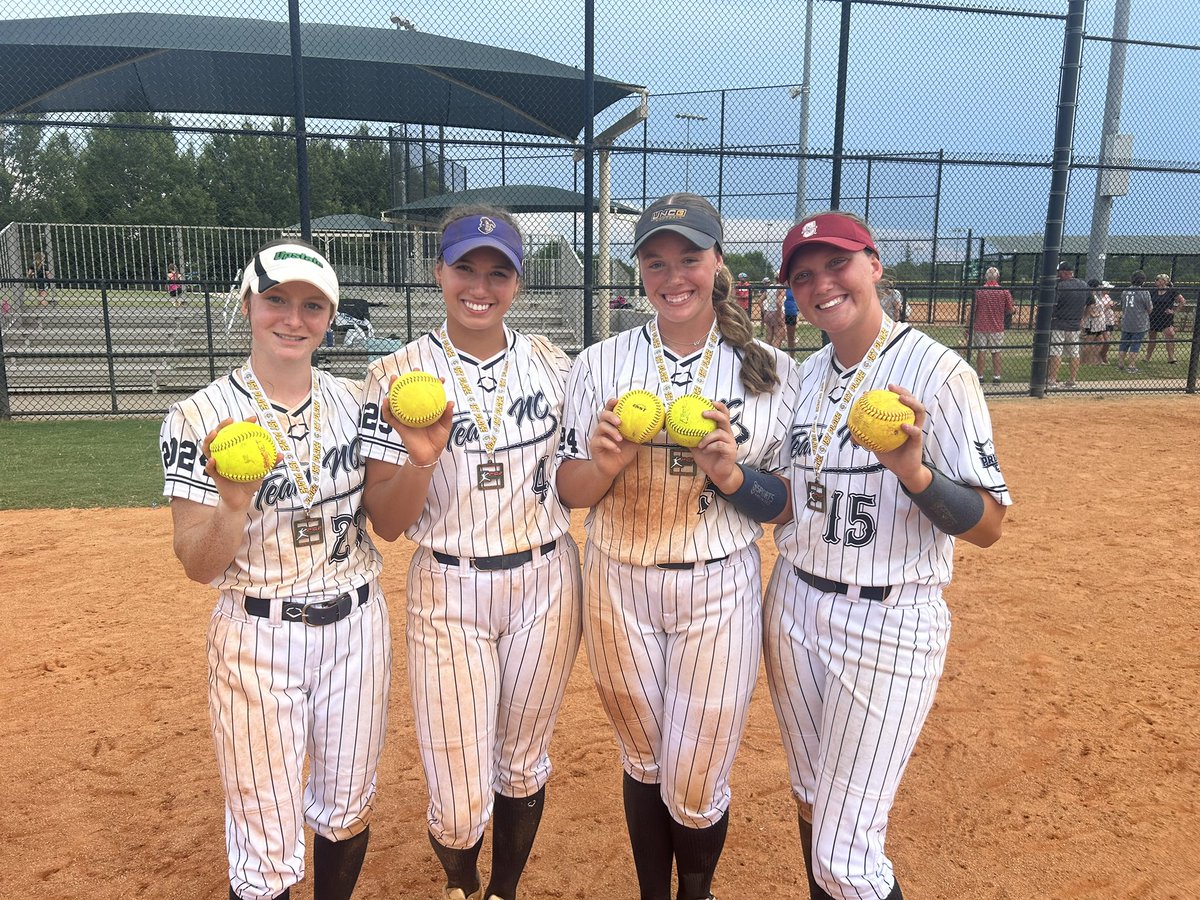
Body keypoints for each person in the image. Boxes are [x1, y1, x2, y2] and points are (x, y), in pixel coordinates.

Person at [557, 193, 799, 900]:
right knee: (643, 759)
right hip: (618, 580)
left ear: (717, 263)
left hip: (717, 582)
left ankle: (696, 891)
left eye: (689, 258)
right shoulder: (601, 363)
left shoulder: (767, 371)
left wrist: (730, 474)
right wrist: (602, 465)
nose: (673, 276)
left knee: (695, 773)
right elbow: (570, 491)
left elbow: (783, 502)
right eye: (656, 261)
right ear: (640, 271)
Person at [765, 211, 1011, 900]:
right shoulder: (805, 377)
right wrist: (727, 474)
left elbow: (989, 524)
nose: (822, 284)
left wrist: (915, 473)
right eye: (803, 275)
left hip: (889, 620)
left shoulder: (939, 373)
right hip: (793, 602)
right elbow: (791, 499)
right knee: (813, 804)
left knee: (847, 855)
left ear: (873, 265)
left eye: (837, 263)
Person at [359, 207, 581, 900]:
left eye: (498, 272)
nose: (479, 286)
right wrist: (421, 461)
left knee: (520, 765)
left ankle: (503, 891)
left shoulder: (553, 364)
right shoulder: (394, 374)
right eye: (465, 268)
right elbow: (387, 524)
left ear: (516, 283)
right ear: (439, 273)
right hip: (448, 586)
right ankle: (463, 880)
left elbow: (579, 480)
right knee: (458, 805)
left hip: (546, 578)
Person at [160, 239, 389, 900]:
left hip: (356, 627)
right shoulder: (197, 416)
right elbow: (197, 564)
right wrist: (233, 506)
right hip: (257, 635)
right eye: (277, 300)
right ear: (248, 304)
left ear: (330, 316)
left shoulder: (355, 402)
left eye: (312, 305)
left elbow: (392, 517)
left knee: (346, 808)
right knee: (264, 839)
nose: (293, 318)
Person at [1047, 260, 1090, 388]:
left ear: (1065, 273)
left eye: (1059, 272)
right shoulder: (1083, 284)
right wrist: (1083, 318)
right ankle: (1072, 380)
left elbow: (1052, 305)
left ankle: (1052, 380)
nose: (1057, 274)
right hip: (1075, 324)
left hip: (1059, 323)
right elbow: (1091, 303)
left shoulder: (1059, 285)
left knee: (1056, 351)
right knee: (1074, 353)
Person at [970, 267, 1014, 382]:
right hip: (997, 326)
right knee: (996, 351)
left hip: (981, 326)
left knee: (981, 351)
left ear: (986, 277)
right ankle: (996, 376)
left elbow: (973, 310)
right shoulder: (1004, 291)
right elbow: (1010, 310)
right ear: (997, 277)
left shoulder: (979, 291)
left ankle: (980, 376)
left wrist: (967, 325)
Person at [1144, 273, 1186, 365]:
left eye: (1158, 280)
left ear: (1164, 281)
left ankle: (1171, 357)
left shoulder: (1172, 291)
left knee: (1170, 335)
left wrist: (1174, 311)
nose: (1156, 281)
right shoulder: (1153, 291)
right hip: (1154, 317)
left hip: (1166, 318)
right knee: (1152, 338)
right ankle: (1147, 357)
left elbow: (1182, 301)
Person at [1117, 270, 1153, 374]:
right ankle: (1131, 365)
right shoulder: (1144, 292)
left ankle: (1120, 363)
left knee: (1124, 343)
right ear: (1143, 281)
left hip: (1127, 321)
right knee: (1135, 344)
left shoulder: (1125, 292)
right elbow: (1150, 309)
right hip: (1139, 322)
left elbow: (1123, 307)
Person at [1082, 279, 1109, 365]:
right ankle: (1083, 361)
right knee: (1088, 343)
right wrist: (1092, 314)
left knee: (1101, 341)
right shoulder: (1088, 294)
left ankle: (1093, 359)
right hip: (1091, 323)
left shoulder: (1095, 295)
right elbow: (1086, 307)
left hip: (1098, 324)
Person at [764, 278, 785, 347]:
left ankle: (766, 355)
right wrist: (779, 316)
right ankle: (775, 356)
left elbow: (760, 300)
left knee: (768, 338)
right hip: (777, 312)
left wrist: (764, 311)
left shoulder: (770, 287)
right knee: (778, 338)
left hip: (768, 312)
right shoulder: (781, 287)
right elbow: (778, 302)